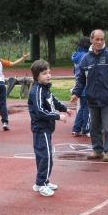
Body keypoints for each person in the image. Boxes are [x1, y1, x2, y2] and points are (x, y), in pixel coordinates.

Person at [70, 29, 108, 162]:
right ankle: (97, 150)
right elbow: (81, 79)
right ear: (91, 40)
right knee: (94, 126)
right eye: (97, 39)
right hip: (92, 99)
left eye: (102, 39)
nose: (100, 42)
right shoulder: (85, 59)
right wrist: (76, 94)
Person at [28, 59, 73, 197]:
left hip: (46, 128)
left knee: (44, 156)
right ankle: (40, 184)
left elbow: (54, 101)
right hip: (41, 129)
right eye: (44, 73)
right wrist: (57, 116)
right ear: (37, 76)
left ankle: (44, 181)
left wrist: (64, 108)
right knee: (46, 156)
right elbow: (40, 111)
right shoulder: (37, 91)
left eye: (49, 72)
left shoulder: (46, 89)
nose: (48, 75)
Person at [0, 46, 30, 131]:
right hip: (1, 84)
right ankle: (5, 122)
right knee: (2, 104)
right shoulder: (0, 61)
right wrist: (23, 58)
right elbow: (13, 63)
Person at [71, 36, 91, 138]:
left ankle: (76, 128)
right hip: (86, 85)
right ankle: (86, 129)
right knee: (87, 108)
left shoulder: (76, 56)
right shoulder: (87, 56)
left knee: (82, 108)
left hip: (79, 85)